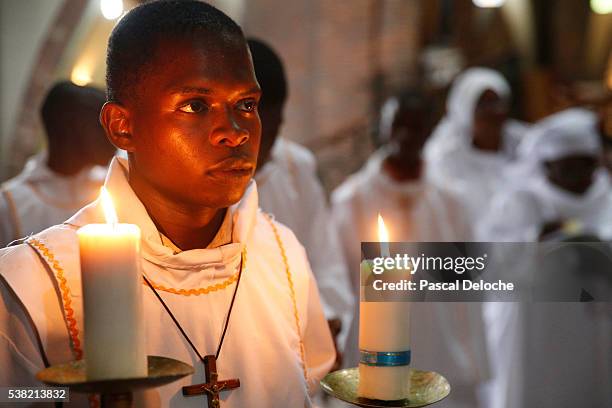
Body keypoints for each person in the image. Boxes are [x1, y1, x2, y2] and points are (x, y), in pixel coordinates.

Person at [0, 2, 335, 407]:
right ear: (122, 126)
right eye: (196, 105)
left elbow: (313, 387)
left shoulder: (283, 255)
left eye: (246, 105)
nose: (235, 133)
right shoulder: (31, 284)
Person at [332, 91, 490, 408]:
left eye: (415, 127)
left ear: (428, 132)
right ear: (383, 129)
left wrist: (475, 358)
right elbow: (340, 279)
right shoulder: (351, 200)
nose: (406, 136)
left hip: (441, 344)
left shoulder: (451, 200)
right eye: (398, 125)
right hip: (376, 353)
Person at [477, 108, 612, 408]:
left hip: (594, 325)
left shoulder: (605, 196)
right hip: (539, 327)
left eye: (586, 166)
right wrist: (534, 240)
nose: (580, 177)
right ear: (548, 166)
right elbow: (491, 264)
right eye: (569, 168)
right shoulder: (521, 201)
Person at [248, 38, 353, 356]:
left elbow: (325, 260)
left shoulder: (297, 168)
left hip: (297, 342)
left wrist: (327, 318)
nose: (264, 142)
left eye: (276, 125)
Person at [0, 82, 114, 247]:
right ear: (67, 131)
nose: (112, 136)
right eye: (100, 126)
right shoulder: (9, 205)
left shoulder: (110, 189)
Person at [424, 67, 529, 225]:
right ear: (465, 109)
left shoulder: (525, 143)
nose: (493, 112)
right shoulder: (444, 157)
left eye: (497, 102)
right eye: (483, 104)